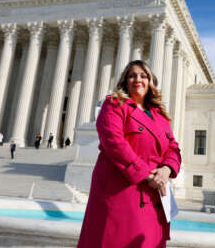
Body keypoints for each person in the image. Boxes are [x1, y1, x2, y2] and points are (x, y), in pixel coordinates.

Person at [77, 60, 181, 248]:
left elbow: (173, 147)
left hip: (154, 194)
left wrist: (165, 170)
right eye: (132, 75)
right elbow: (114, 142)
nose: (137, 80)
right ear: (125, 81)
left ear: (150, 81)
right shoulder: (114, 104)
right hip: (122, 191)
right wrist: (148, 175)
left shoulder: (159, 114)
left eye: (143, 76)